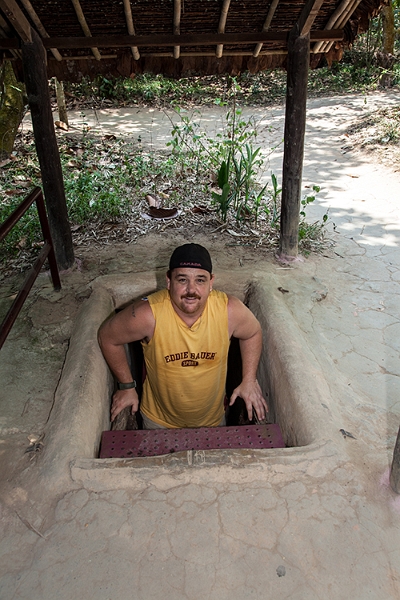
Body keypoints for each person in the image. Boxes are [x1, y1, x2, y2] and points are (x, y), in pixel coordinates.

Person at [98, 243, 268, 429]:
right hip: (158, 422)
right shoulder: (148, 315)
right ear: (169, 281)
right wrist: (127, 387)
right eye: (182, 280)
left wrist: (249, 380)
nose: (191, 290)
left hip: (213, 421)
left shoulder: (229, 311)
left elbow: (252, 333)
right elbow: (107, 337)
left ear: (211, 282)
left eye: (200, 280)